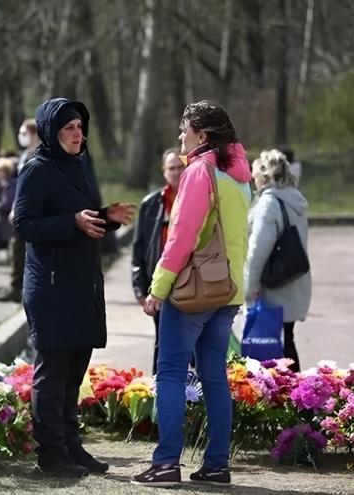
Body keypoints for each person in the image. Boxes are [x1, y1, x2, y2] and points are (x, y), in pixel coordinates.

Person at [13, 98, 134, 478]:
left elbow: (82, 220)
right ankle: (50, 454)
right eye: (68, 127)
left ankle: (70, 445)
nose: (77, 133)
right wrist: (72, 221)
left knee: (74, 373)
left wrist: (104, 218)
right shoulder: (36, 169)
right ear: (50, 132)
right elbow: (24, 224)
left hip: (82, 284)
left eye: (80, 126)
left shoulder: (80, 164)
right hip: (50, 288)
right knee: (52, 373)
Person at [133, 101, 252, 488]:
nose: (180, 138)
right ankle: (217, 465)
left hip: (193, 291)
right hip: (228, 289)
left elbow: (183, 238)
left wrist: (157, 288)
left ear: (202, 135)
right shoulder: (238, 177)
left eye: (184, 130)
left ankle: (166, 463)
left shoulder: (199, 172)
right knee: (214, 376)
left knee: (169, 372)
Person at [244, 149, 311, 372]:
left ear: (265, 175)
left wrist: (250, 286)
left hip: (271, 284)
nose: (253, 180)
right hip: (291, 279)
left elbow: (258, 249)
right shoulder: (295, 199)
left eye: (255, 174)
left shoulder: (269, 203)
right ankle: (298, 395)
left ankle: (285, 397)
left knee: (269, 347)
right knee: (286, 340)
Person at [131, 148, 186, 374]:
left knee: (189, 342)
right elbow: (139, 247)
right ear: (164, 172)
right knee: (162, 340)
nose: (175, 172)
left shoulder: (196, 198)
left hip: (187, 281)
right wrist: (139, 286)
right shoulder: (150, 204)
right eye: (171, 168)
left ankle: (193, 396)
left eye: (180, 167)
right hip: (159, 283)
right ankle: (159, 390)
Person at [0, 119, 40, 303]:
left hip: (33, 211)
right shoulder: (25, 155)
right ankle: (17, 287)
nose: (21, 137)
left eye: (25, 133)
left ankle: (24, 288)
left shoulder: (40, 155)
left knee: (27, 251)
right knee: (17, 249)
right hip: (21, 208)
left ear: (35, 134)